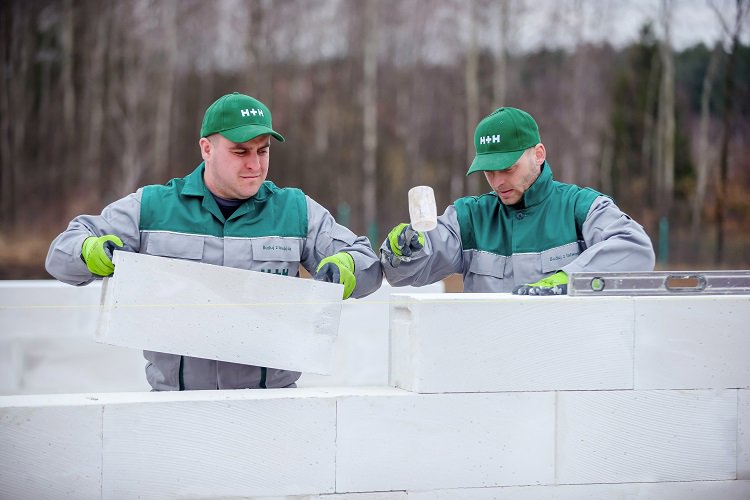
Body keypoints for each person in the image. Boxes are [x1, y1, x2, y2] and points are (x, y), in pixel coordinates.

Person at [46, 92, 383, 390]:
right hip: (173, 410)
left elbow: (366, 262)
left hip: (274, 411)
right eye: (240, 152)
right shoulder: (152, 208)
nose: (255, 164)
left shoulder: (295, 211)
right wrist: (89, 252)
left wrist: (347, 267)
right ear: (206, 148)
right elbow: (61, 254)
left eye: (263, 151)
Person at [380, 106, 655, 294]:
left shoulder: (579, 208)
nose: (498, 181)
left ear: (538, 154)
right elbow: (402, 275)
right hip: (490, 369)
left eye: (508, 168)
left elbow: (635, 250)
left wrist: (569, 280)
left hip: (568, 367)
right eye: (489, 171)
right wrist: (402, 252)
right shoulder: (470, 219)